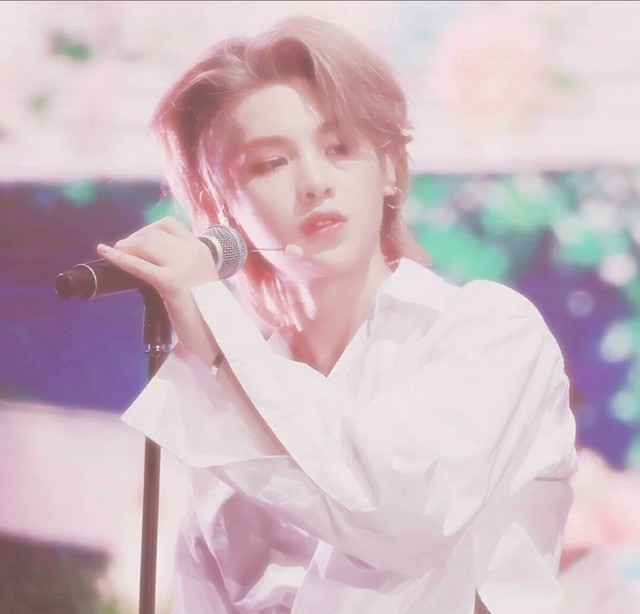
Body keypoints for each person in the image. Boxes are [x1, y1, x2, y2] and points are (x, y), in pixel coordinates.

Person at [96, 15, 578, 614]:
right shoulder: (225, 397)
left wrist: (220, 342)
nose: (315, 182)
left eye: (339, 148)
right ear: (222, 212)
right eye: (271, 162)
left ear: (390, 169)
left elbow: (403, 514)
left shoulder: (488, 329)